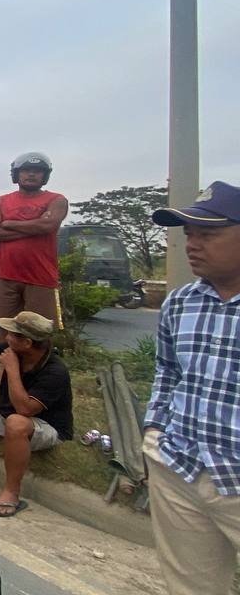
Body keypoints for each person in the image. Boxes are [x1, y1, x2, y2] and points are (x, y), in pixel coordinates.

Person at [143, 180, 240, 595]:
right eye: (189, 235)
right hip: (179, 467)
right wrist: (153, 432)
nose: (192, 246)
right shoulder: (181, 302)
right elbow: (167, 371)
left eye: (208, 235)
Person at [0, 311, 72, 518]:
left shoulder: (55, 372)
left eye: (12, 334)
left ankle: (11, 492)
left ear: (27, 343)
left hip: (42, 427)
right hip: (2, 413)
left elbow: (24, 410)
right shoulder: (12, 350)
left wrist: (11, 369)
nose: (7, 337)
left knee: (16, 423)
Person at [0, 152, 68, 328]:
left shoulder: (56, 200)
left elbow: (48, 226)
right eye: (26, 170)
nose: (31, 174)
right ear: (16, 174)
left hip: (41, 277)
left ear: (45, 176)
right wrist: (35, 226)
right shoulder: (1, 201)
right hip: (6, 275)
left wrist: (8, 223)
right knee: (5, 328)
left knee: (40, 331)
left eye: (37, 171)